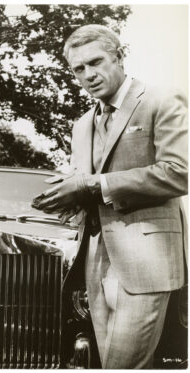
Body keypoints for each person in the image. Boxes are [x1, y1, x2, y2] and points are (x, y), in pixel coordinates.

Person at [32, 24, 188, 369]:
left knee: (122, 366)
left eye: (96, 62)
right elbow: (83, 184)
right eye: (78, 69)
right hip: (94, 260)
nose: (88, 75)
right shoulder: (82, 124)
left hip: (147, 262)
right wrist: (64, 197)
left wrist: (91, 185)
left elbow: (179, 172)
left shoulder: (161, 100)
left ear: (119, 57)